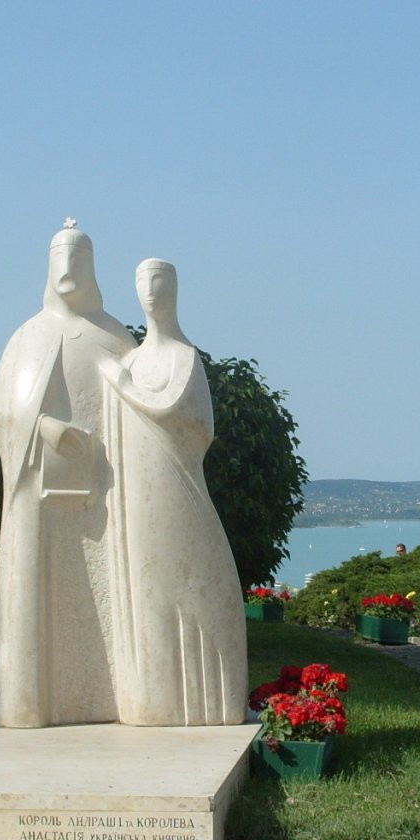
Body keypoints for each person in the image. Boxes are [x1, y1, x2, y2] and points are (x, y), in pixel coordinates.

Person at [0, 221, 135, 727]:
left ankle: (107, 693)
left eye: (78, 258)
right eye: (59, 257)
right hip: (38, 492)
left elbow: (136, 404)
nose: (68, 267)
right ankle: (33, 700)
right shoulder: (28, 335)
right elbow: (2, 408)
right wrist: (45, 426)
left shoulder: (115, 336)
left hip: (102, 489)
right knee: (37, 589)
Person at [98, 260, 248, 725]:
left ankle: (206, 697)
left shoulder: (184, 357)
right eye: (142, 281)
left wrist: (124, 385)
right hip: (135, 489)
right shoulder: (130, 359)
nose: (150, 289)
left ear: (174, 288)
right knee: (145, 585)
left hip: (175, 481)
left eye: (158, 280)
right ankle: (148, 695)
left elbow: (190, 416)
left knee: (190, 573)